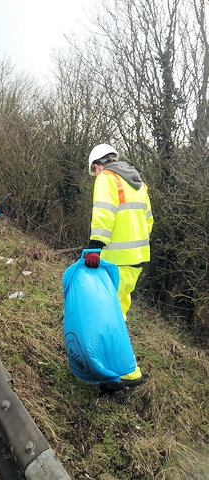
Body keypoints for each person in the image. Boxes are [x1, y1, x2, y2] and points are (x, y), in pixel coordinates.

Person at [85, 143, 154, 390]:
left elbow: (104, 213)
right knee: (119, 311)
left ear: (97, 165)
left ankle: (127, 371)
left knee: (109, 315)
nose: (95, 175)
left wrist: (95, 246)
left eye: (94, 171)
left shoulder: (107, 178)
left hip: (115, 259)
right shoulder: (138, 183)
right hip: (136, 258)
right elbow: (148, 221)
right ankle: (116, 368)